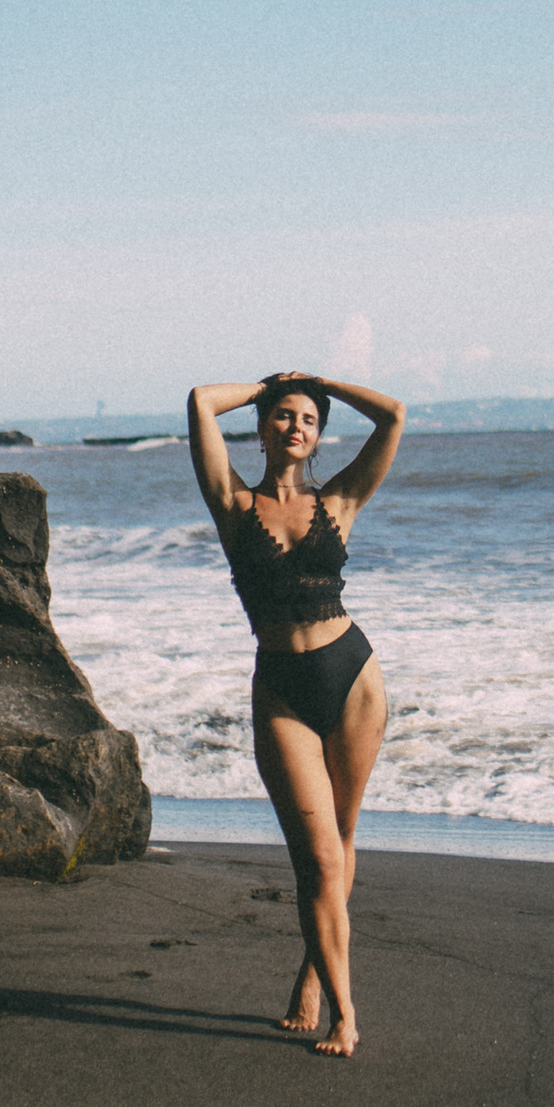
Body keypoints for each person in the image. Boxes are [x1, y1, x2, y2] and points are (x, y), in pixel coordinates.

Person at [185, 368, 405, 1057]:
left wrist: (318, 381)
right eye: (283, 416)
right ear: (262, 427)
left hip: (354, 677)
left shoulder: (337, 501)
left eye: (308, 419)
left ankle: (315, 982)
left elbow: (393, 415)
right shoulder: (232, 502)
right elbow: (199, 402)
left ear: (318, 436)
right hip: (282, 686)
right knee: (316, 861)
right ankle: (348, 1015)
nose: (295, 427)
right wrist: (267, 385)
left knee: (341, 838)